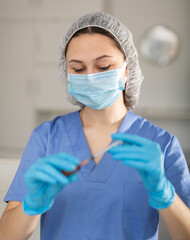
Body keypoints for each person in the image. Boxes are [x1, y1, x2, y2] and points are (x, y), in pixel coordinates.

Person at [0, 12, 190, 240]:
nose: (90, 77)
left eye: (103, 66)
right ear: (67, 73)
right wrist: (31, 204)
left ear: (127, 70)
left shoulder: (161, 144)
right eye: (78, 69)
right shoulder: (47, 137)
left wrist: (164, 193)